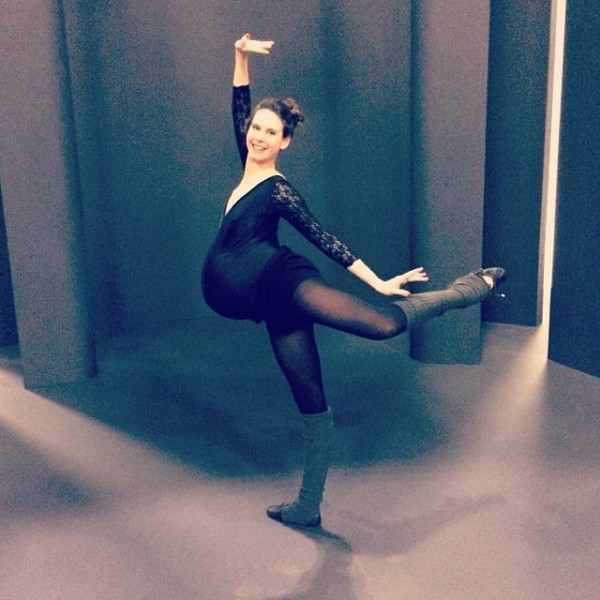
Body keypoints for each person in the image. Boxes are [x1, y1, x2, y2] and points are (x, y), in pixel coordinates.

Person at [201, 34, 505, 527]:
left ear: (285, 142)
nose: (257, 136)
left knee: (382, 325)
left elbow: (323, 238)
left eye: (269, 132)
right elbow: (238, 107)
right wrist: (238, 56)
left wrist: (379, 282)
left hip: (280, 280)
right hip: (264, 301)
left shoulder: (278, 190)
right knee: (311, 400)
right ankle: (308, 507)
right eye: (256, 127)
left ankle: (469, 289)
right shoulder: (247, 163)